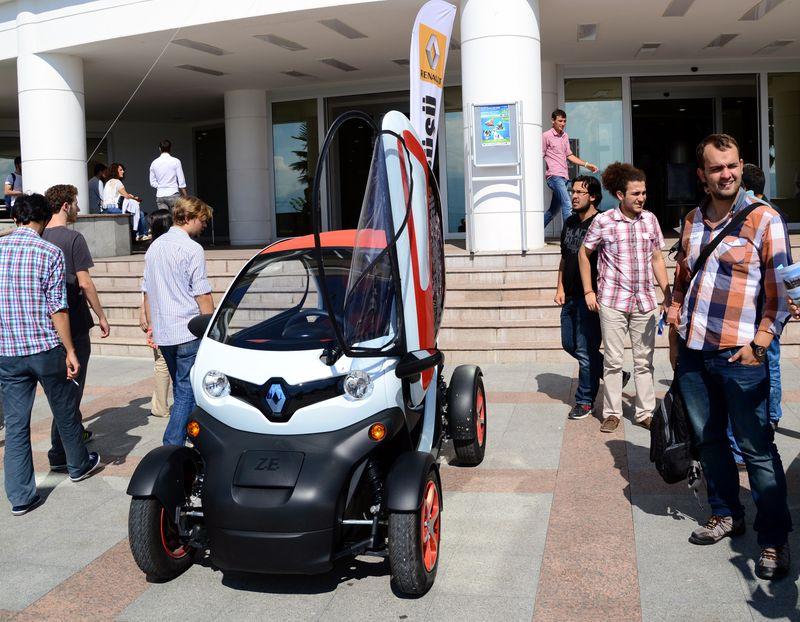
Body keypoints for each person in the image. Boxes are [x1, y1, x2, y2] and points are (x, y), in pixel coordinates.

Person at [667, 134, 791, 580]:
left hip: (741, 357)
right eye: (717, 168)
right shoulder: (692, 220)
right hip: (695, 355)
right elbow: (682, 280)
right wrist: (675, 336)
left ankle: (774, 539)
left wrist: (758, 345)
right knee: (711, 442)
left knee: (757, 450)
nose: (727, 174)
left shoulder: (765, 220)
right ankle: (726, 514)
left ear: (742, 166)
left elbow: (781, 297)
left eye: (733, 165)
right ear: (701, 175)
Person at [0, 194, 101, 515]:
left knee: (16, 424)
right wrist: (71, 349)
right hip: (45, 347)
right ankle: (77, 464)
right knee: (64, 407)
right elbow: (58, 307)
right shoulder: (49, 251)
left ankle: (20, 497)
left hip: (8, 351)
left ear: (16, 218)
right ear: (43, 220)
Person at [579, 162, 669, 433]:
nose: (641, 198)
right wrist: (588, 290)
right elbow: (584, 254)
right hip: (613, 301)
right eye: (635, 194)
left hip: (644, 301)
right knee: (613, 361)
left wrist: (667, 291)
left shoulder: (650, 220)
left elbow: (657, 258)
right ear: (620, 195)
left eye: (643, 193)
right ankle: (612, 413)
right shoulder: (604, 221)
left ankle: (644, 413)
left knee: (644, 361)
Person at [42, 184, 111, 467]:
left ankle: (72, 437)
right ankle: (61, 451)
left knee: (62, 388)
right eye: (76, 203)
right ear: (66, 205)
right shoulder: (73, 239)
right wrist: (102, 315)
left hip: (47, 325)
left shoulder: (39, 235)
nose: (79, 209)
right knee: (72, 389)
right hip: (75, 323)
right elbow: (85, 283)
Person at [555, 175, 629, 419]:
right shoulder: (569, 223)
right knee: (569, 344)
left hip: (592, 298)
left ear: (593, 197)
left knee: (586, 350)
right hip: (570, 296)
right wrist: (559, 288)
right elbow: (565, 258)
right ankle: (614, 372)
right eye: (572, 191)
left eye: (580, 192)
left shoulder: (604, 222)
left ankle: (585, 400)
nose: (574, 196)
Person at [142, 197, 213, 446]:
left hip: (165, 332)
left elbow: (148, 291)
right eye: (203, 220)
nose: (204, 226)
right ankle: (171, 446)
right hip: (188, 329)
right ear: (190, 217)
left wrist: (151, 325)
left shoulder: (154, 247)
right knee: (186, 393)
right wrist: (212, 327)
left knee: (181, 389)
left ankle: (191, 438)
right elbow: (202, 293)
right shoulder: (192, 249)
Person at [139, 209, 173, 419]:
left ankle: (158, 404)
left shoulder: (153, 250)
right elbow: (147, 288)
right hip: (164, 315)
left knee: (161, 361)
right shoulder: (166, 249)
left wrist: (144, 313)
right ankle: (160, 406)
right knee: (163, 362)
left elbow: (146, 288)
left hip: (159, 314)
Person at [542, 109, 598, 229]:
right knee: (568, 204)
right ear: (553, 121)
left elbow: (570, 156)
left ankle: (534, 232)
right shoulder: (546, 136)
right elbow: (539, 155)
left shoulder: (565, 136)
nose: (562, 123)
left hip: (564, 177)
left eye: (564, 121)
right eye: (560, 121)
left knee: (553, 210)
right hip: (554, 176)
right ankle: (570, 234)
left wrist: (587, 164)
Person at [102, 162, 148, 240]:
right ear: (115, 171)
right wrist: (134, 198)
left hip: (105, 208)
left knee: (132, 215)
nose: (123, 171)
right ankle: (142, 234)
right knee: (140, 213)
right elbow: (126, 196)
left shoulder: (108, 182)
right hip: (114, 208)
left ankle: (135, 235)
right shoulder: (118, 182)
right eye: (121, 170)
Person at [149, 139, 188, 212]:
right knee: (176, 220)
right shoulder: (176, 161)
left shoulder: (154, 163)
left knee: (164, 220)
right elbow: (181, 181)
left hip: (160, 195)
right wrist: (186, 196)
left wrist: (160, 186)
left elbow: (152, 182)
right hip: (173, 193)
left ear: (159, 149)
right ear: (170, 148)